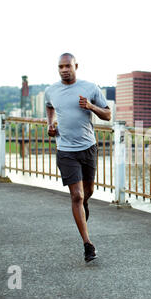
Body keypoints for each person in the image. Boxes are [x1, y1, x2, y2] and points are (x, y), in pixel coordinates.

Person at [45, 53, 111, 262]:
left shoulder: (90, 87)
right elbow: (49, 106)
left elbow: (108, 115)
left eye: (67, 66)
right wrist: (50, 123)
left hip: (88, 148)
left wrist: (91, 107)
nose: (64, 69)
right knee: (77, 196)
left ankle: (84, 206)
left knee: (88, 192)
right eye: (60, 66)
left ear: (76, 66)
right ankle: (87, 245)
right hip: (65, 150)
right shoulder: (51, 91)